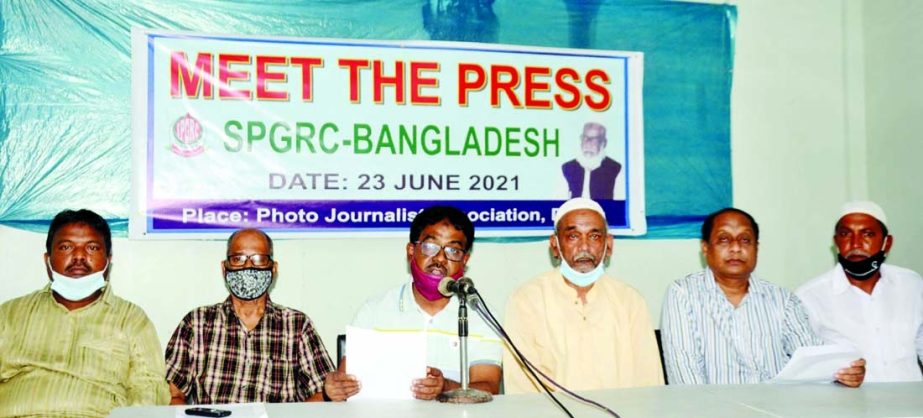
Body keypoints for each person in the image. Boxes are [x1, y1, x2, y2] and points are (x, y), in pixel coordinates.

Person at [661, 208, 866, 386]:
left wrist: (843, 372)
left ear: (756, 248)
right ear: (705, 247)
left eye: (745, 240)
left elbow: (811, 360)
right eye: (723, 239)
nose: (736, 248)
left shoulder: (783, 300)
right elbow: (686, 383)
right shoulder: (683, 294)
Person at [0, 209, 169, 417]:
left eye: (92, 247)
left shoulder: (132, 319)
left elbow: (149, 390)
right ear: (48, 259)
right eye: (66, 247)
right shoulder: (9, 314)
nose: (79, 256)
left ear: (108, 260)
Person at [324, 205, 502, 401]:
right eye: (430, 247)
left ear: (465, 259)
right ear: (411, 251)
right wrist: (336, 388)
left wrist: (445, 386)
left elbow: (489, 386)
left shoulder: (480, 314)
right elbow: (345, 381)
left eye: (453, 250)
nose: (440, 258)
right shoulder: (375, 310)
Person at [503, 197, 663, 393]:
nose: (584, 247)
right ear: (555, 245)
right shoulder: (527, 301)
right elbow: (522, 391)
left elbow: (649, 383)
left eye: (594, 237)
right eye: (573, 236)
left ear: (609, 245)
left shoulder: (630, 301)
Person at [164, 228, 337, 404]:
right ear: (225, 268)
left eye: (258, 259)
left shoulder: (297, 325)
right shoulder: (197, 322)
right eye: (238, 259)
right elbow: (172, 396)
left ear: (273, 268)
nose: (248, 266)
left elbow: (324, 393)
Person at [797, 201, 923, 382]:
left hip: (913, 405)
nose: (855, 243)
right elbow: (805, 370)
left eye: (867, 234)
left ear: (887, 244)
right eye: (845, 234)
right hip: (852, 407)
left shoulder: (911, 285)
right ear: (836, 242)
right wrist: (834, 376)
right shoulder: (810, 297)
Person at [561, 122, 622, 200]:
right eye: (585, 138)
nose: (588, 143)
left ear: (603, 143)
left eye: (594, 139)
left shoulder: (615, 169)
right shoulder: (567, 169)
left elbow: (620, 205)